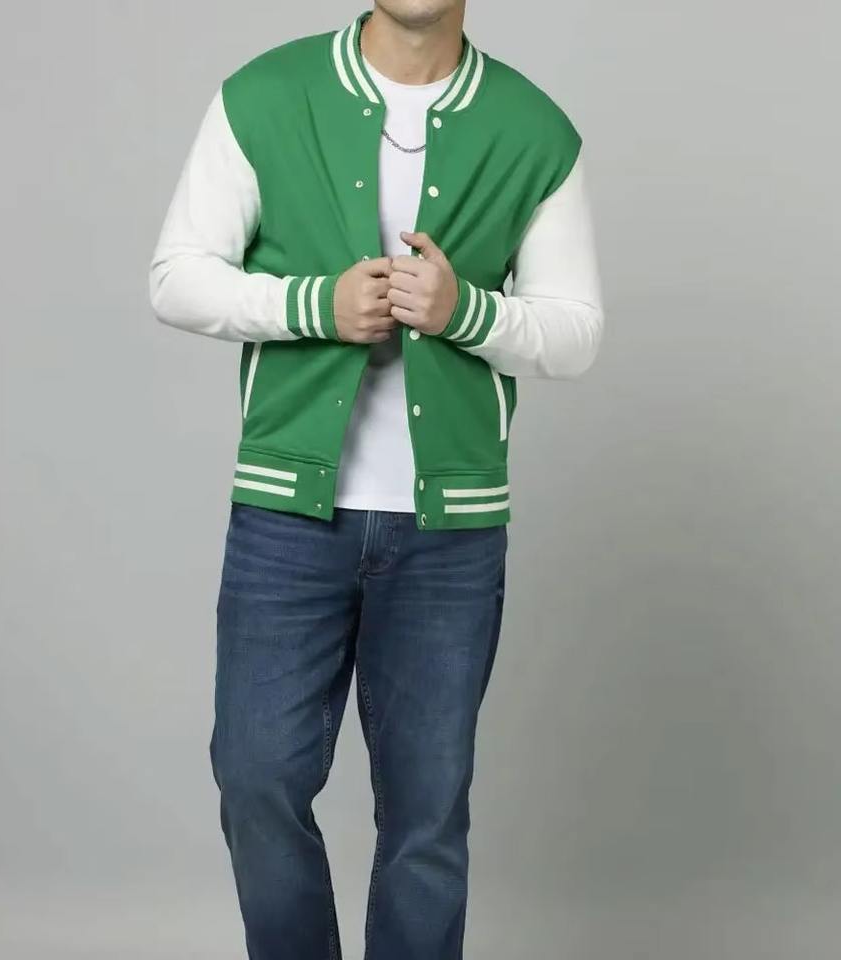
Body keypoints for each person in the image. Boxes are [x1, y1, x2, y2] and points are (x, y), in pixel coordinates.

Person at [148, 3, 603, 957]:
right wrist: (316, 304)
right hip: (288, 516)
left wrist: (465, 310)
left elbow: (575, 333)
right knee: (256, 777)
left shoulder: (534, 130)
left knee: (427, 818)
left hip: (450, 532)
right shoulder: (266, 96)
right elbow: (177, 276)